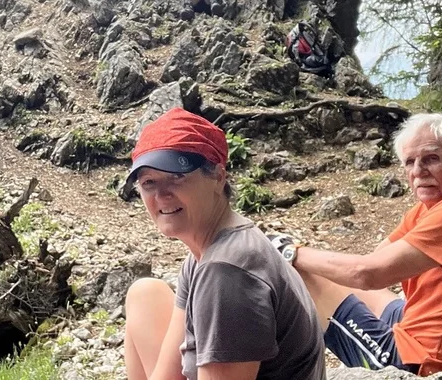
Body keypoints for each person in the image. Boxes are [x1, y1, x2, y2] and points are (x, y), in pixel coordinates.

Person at [279, 108, 442, 379]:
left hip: (428, 366)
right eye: (409, 162)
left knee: (303, 275)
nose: (418, 171)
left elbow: (368, 273)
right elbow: (371, 263)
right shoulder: (429, 209)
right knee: (333, 279)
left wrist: (288, 251)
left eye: (431, 159)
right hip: (418, 332)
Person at [123, 108, 326, 380]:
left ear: (218, 177)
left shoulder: (226, 270)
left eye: (177, 177)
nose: (161, 195)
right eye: (149, 182)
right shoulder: (203, 256)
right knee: (143, 292)